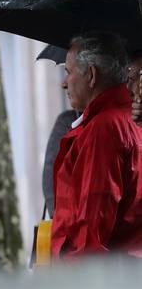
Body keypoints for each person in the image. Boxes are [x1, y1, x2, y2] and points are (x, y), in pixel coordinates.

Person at [51, 31, 142, 257]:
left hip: (103, 281)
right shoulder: (128, 118)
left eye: (68, 72)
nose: (64, 83)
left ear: (91, 75)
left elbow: (91, 230)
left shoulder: (104, 128)